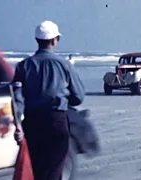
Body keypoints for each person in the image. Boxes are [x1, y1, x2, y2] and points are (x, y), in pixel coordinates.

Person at [13, 20, 85, 180]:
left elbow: (17, 99)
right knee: (54, 170)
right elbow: (79, 96)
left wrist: (18, 125)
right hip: (56, 122)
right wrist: (65, 100)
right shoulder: (65, 65)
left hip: (32, 123)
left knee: (38, 171)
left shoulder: (23, 66)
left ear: (37, 40)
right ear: (54, 40)